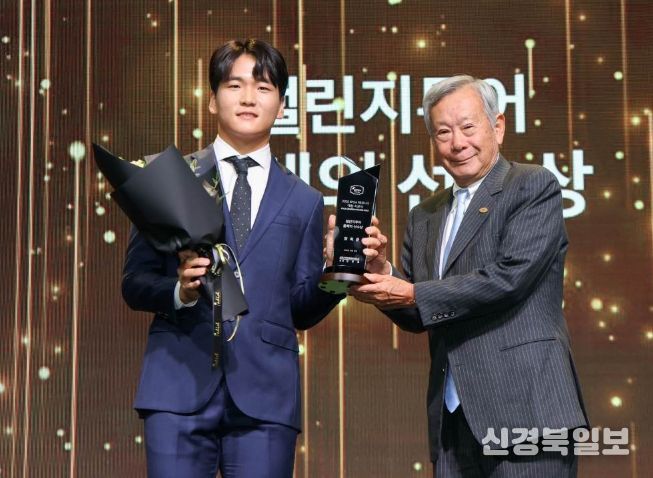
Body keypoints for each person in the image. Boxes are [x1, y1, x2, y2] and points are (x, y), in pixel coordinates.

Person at [122, 39, 342, 478]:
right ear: (212, 99)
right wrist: (180, 292)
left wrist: (338, 273)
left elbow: (301, 309)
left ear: (282, 106)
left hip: (266, 396)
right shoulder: (170, 179)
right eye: (234, 85)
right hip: (177, 387)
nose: (248, 98)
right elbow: (134, 283)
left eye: (263, 87)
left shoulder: (305, 200)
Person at [349, 75, 588, 477]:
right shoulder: (424, 215)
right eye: (443, 132)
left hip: (527, 410)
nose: (457, 142)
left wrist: (411, 293)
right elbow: (419, 311)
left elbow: (510, 278)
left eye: (468, 127)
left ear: (498, 126)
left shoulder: (531, 185)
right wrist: (380, 272)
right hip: (453, 422)